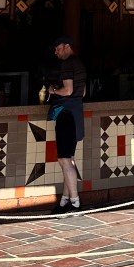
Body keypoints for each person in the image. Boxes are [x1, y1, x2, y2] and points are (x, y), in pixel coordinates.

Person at [46, 36, 86, 210]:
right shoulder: (79, 64)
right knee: (68, 159)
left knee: (64, 159)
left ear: (67, 46)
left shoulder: (67, 64)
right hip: (76, 114)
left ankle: (75, 202)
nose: (55, 52)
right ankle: (65, 200)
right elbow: (82, 93)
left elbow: (68, 90)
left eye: (58, 48)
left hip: (66, 114)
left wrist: (53, 90)